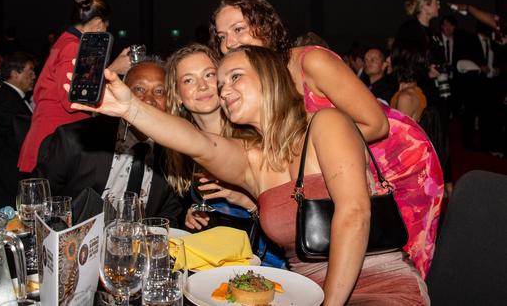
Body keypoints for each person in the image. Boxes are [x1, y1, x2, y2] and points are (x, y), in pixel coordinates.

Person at [69, 46, 429, 305]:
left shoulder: (326, 125)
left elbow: (354, 215)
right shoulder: (253, 160)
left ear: (271, 78)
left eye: (234, 77)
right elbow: (197, 143)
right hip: (295, 294)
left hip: (377, 286)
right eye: (221, 82)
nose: (223, 90)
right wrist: (130, 108)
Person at [208, 0, 443, 278]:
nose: (228, 43)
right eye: (221, 36)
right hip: (347, 169)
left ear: (264, 26)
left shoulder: (310, 63)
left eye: (238, 29)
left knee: (394, 255)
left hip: (400, 164)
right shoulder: (254, 84)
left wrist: (322, 145)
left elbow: (376, 125)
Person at [163, 43, 287, 268]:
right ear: (177, 95)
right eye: (188, 80)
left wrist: (245, 200)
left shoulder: (254, 136)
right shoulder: (179, 149)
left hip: (266, 261)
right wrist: (190, 215)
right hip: (215, 262)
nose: (202, 86)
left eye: (209, 75)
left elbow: (292, 216)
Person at [35, 61, 182, 226]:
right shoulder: (75, 140)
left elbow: (169, 213)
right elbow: (39, 199)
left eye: (159, 91)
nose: (148, 100)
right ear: (121, 93)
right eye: (139, 89)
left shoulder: (173, 152)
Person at [18, 0, 131, 173]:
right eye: (106, 23)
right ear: (97, 23)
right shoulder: (72, 47)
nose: (106, 29)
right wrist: (113, 69)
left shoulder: (68, 41)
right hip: (52, 143)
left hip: (54, 139)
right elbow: (75, 99)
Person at [0, 52, 36, 207]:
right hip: (10, 178)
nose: (34, 76)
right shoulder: (8, 104)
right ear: (15, 74)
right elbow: (20, 142)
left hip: (8, 170)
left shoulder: (9, 97)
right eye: (30, 71)